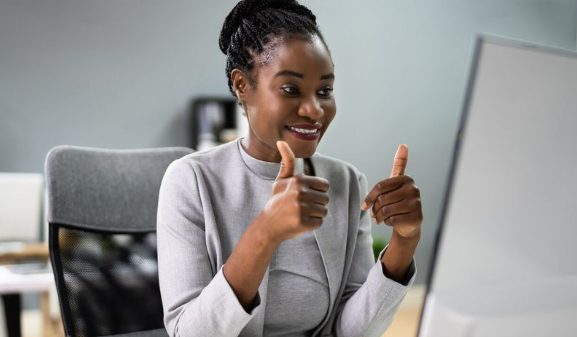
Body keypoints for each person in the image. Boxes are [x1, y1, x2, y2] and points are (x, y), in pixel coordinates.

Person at [156, 0, 423, 336]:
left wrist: (404, 240)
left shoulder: (346, 182)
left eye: (325, 90)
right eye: (291, 89)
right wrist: (266, 232)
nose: (314, 110)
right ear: (242, 86)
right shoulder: (190, 181)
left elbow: (352, 331)